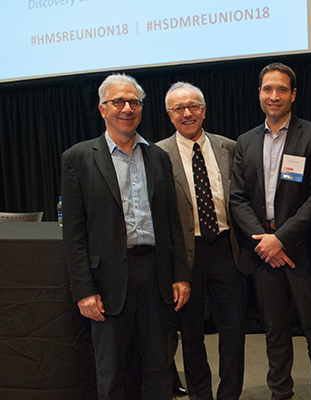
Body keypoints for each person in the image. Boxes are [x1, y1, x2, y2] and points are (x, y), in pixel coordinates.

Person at [61, 73, 191, 399]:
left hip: (155, 274)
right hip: (106, 281)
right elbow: (74, 234)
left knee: (159, 368)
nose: (127, 108)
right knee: (112, 372)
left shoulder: (158, 157)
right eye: (118, 101)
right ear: (103, 109)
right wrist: (83, 290)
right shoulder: (78, 159)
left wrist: (180, 275)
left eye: (134, 101)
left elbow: (172, 223)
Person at [229, 62, 311, 399]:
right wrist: (265, 243)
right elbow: (237, 198)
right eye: (267, 89)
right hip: (263, 251)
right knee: (274, 330)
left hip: (300, 249)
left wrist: (282, 240)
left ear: (293, 94)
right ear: (259, 94)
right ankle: (280, 392)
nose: (273, 96)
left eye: (280, 89)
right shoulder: (245, 141)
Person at [157, 82, 245, 400]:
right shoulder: (157, 155)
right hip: (185, 256)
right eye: (179, 108)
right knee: (191, 334)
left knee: (234, 331)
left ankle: (229, 395)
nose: (187, 113)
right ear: (169, 115)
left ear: (204, 110)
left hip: (226, 249)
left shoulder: (230, 147)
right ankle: (201, 396)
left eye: (193, 106)